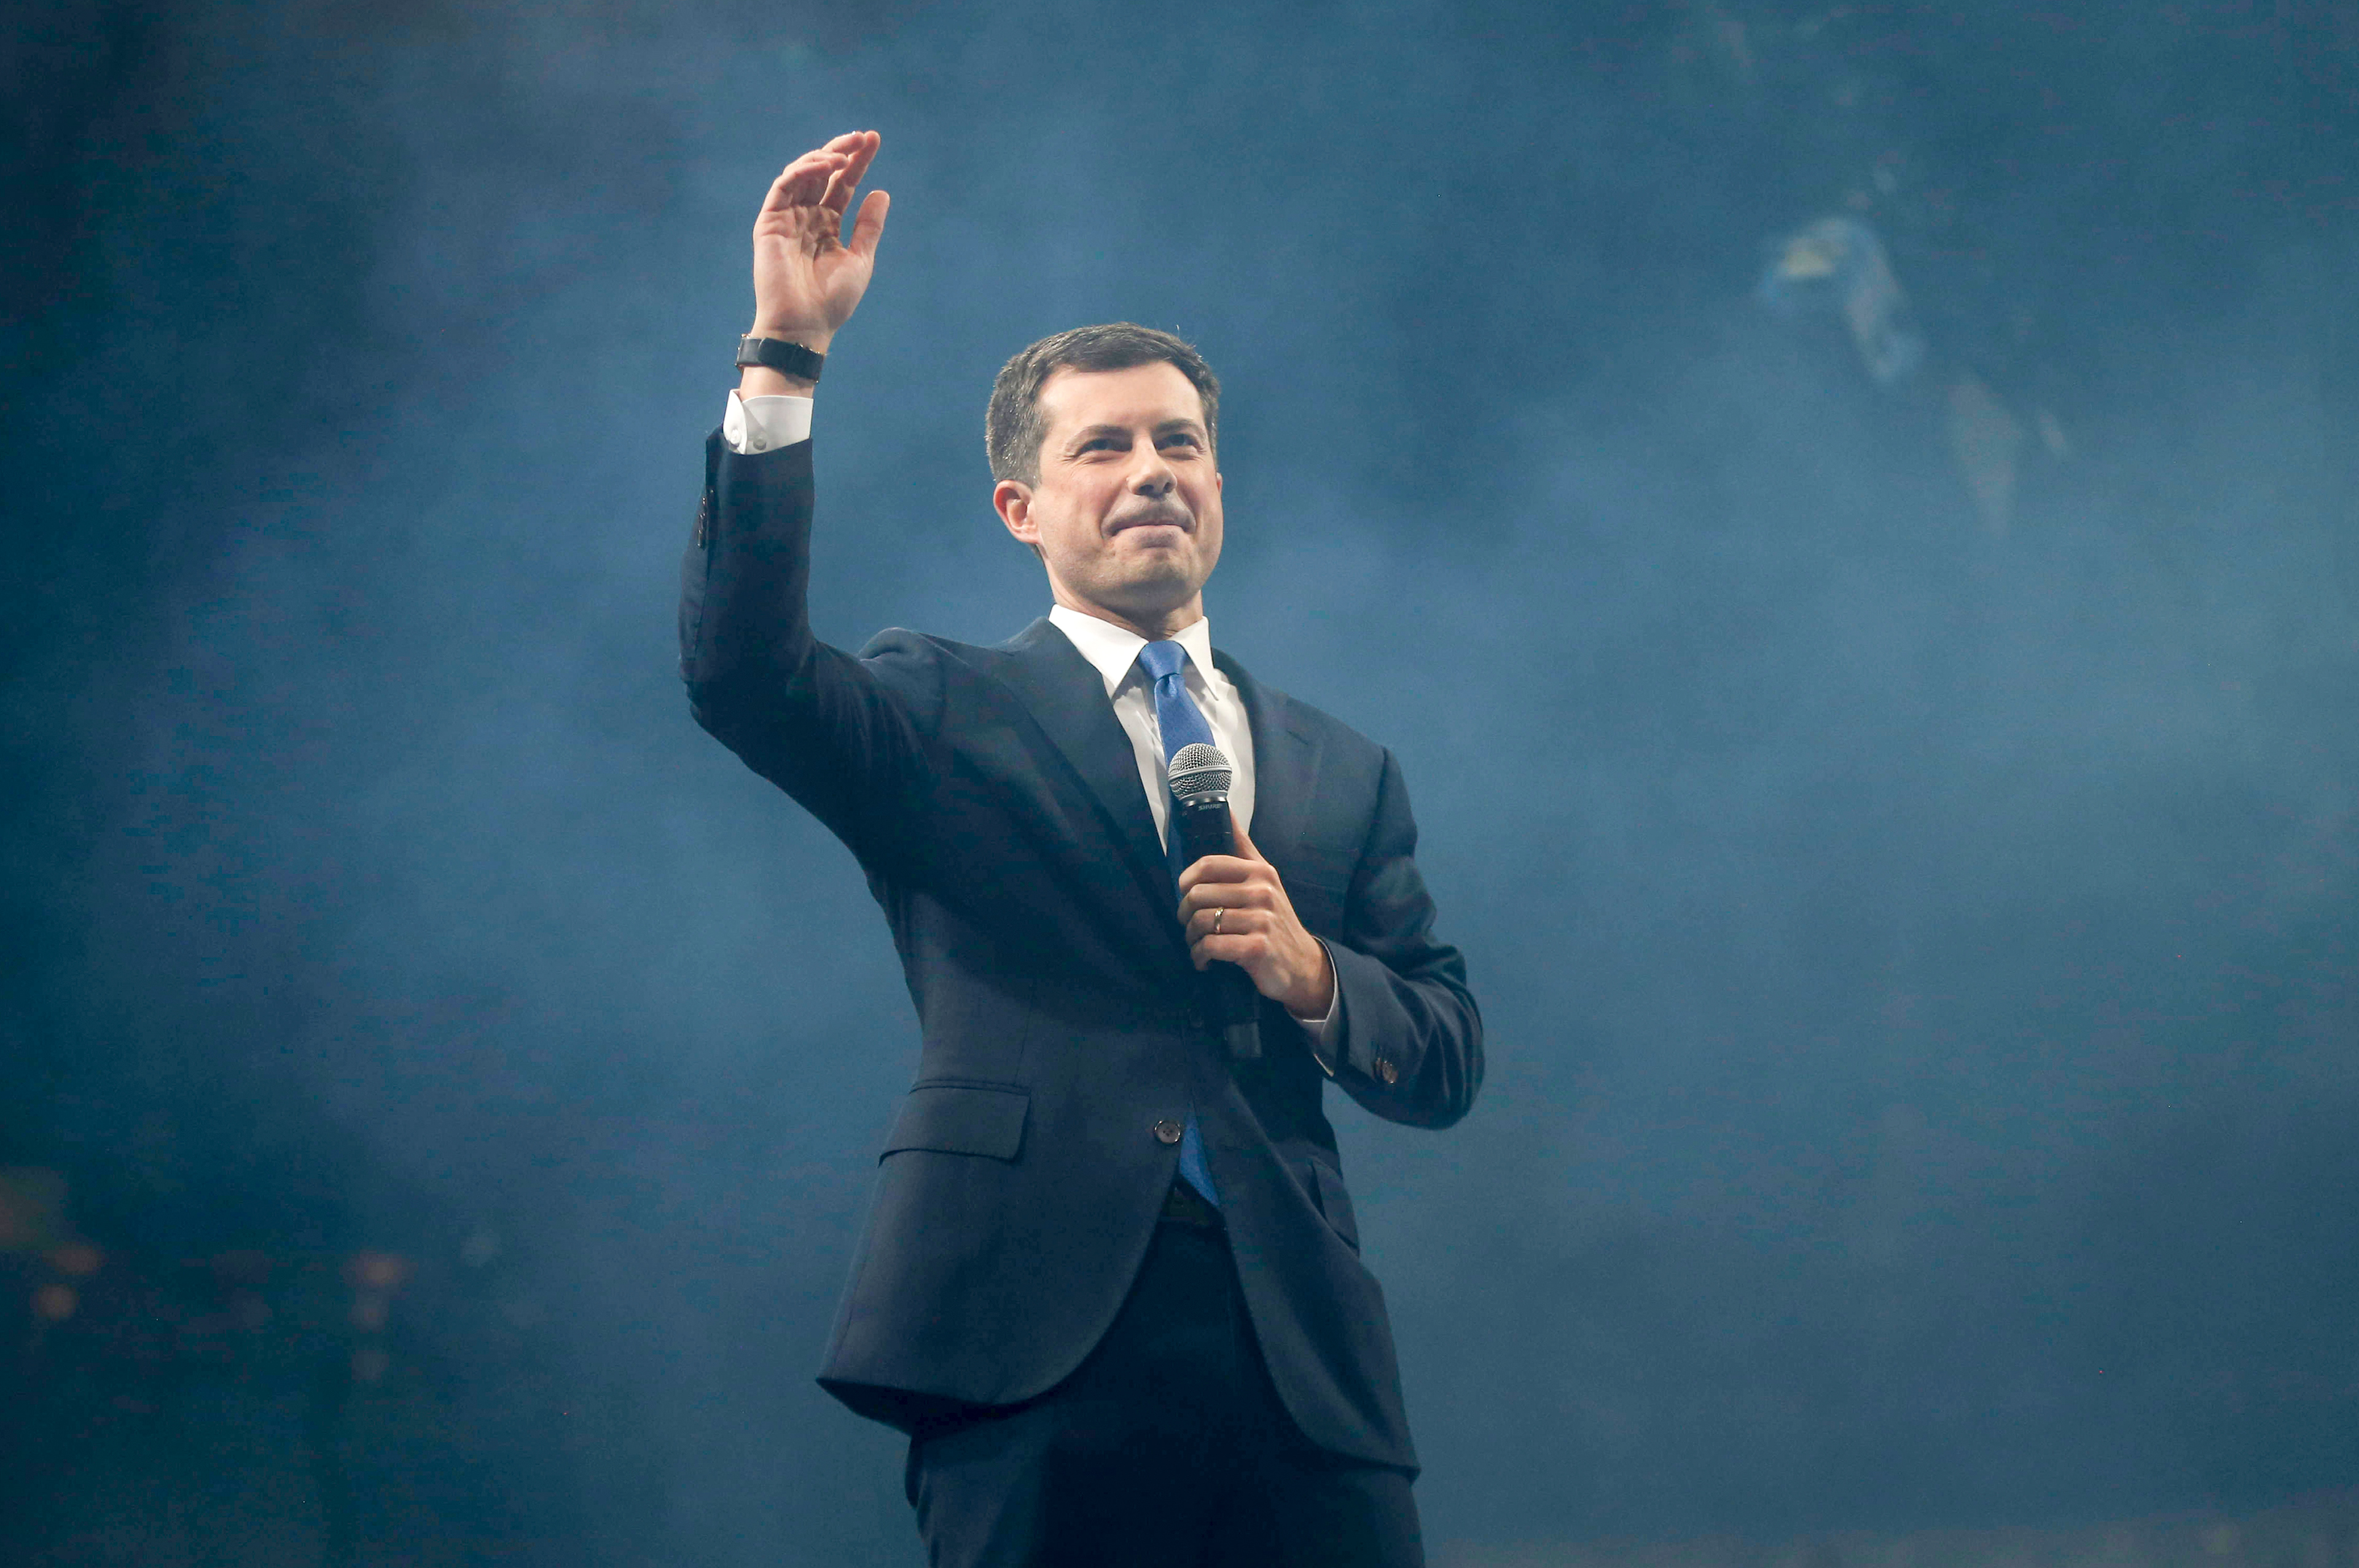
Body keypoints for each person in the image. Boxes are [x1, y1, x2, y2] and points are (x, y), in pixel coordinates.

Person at [681, 129, 1483, 1567]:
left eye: (1181, 441)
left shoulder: (1340, 766)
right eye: (1102, 445)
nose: (1152, 469)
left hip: (1298, 1360)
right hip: (1032, 1341)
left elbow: (1446, 1053)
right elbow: (742, 675)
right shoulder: (941, 706)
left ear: (1222, 488)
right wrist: (783, 359)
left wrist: (1314, 973)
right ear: (1022, 508)